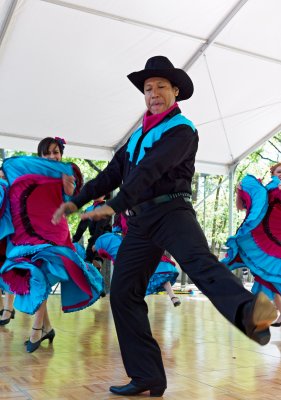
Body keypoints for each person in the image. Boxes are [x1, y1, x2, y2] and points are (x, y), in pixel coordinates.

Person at [52, 56, 277, 397]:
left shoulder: (182, 130)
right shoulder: (135, 136)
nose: (153, 93)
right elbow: (112, 173)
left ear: (175, 91)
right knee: (124, 293)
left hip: (172, 211)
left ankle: (251, 313)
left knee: (201, 264)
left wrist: (115, 204)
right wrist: (77, 200)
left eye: (160, 87)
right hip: (141, 223)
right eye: (147, 88)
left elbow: (151, 171)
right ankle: (148, 376)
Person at [1, 137, 104, 353]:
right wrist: (5, 177)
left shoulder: (67, 174)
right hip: (31, 232)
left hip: (54, 232)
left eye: (55, 152)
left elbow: (72, 198)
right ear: (40, 157)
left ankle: (37, 328)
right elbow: (15, 193)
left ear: (61, 153)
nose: (52, 157)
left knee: (42, 272)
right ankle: (47, 327)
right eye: (47, 153)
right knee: (36, 275)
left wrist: (69, 188)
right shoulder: (31, 175)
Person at [223, 162, 281, 327]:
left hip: (275, 240)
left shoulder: (275, 189)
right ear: (272, 173)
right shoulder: (263, 190)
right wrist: (239, 190)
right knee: (267, 277)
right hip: (260, 237)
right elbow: (240, 207)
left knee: (273, 275)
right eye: (279, 171)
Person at [94, 213, 181, 306]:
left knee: (160, 269)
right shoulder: (120, 216)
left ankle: (172, 296)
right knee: (133, 275)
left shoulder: (142, 208)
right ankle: (134, 301)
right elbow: (118, 234)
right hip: (131, 246)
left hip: (147, 243)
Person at [72, 194, 112, 266]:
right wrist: (74, 240)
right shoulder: (89, 209)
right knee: (87, 259)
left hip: (104, 236)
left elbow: (100, 227)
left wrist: (95, 243)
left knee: (96, 255)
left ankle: (98, 260)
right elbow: (81, 227)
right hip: (94, 236)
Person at [0, 167, 15, 326]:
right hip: (2, 236)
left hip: (11, 237)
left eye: (4, 176)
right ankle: (3, 308)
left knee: (10, 272)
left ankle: (8, 309)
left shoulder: (15, 191)